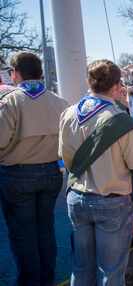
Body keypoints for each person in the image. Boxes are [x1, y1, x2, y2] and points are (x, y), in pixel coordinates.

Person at [59, 59, 133, 285]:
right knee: (112, 271)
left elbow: (66, 158)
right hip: (111, 203)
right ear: (117, 86)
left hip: (76, 198)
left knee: (80, 267)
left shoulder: (68, 113)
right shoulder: (124, 122)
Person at [0, 52, 68, 285]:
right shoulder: (60, 102)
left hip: (17, 175)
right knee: (45, 230)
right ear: (39, 73)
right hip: (51, 173)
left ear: (15, 73)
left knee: (23, 235)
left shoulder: (10, 101)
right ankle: (46, 279)